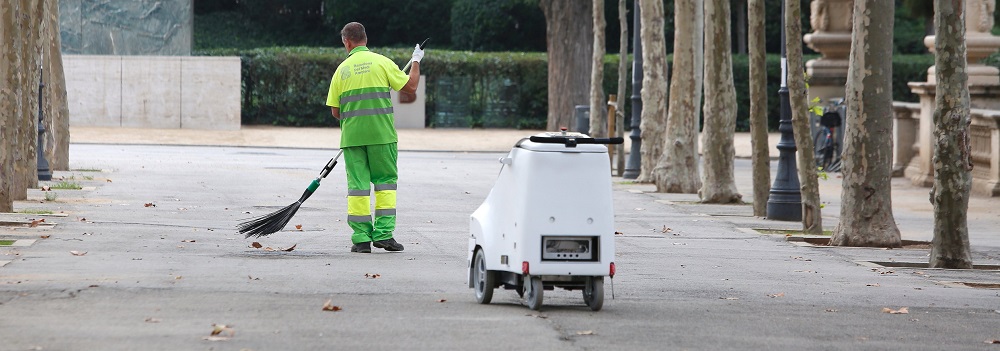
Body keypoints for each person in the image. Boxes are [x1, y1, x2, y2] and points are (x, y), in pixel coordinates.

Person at [326, 22, 423, 253]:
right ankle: (384, 235)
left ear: (346, 42)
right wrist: (416, 60)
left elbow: (335, 112)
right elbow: (410, 88)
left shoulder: (341, 70)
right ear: (365, 39)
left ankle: (361, 240)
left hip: (352, 138)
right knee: (385, 185)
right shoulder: (383, 63)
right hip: (382, 136)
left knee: (358, 188)